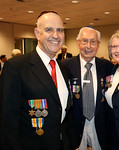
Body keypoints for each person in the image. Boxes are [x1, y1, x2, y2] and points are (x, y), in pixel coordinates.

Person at [0, 11, 77, 150]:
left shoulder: (63, 69)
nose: (56, 35)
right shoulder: (16, 67)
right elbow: (7, 121)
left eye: (60, 30)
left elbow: (66, 113)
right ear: (37, 33)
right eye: (49, 30)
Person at [62, 26, 113, 150]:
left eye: (93, 42)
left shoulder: (107, 66)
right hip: (74, 127)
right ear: (78, 43)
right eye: (84, 41)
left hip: (100, 125)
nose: (88, 46)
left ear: (99, 44)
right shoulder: (65, 67)